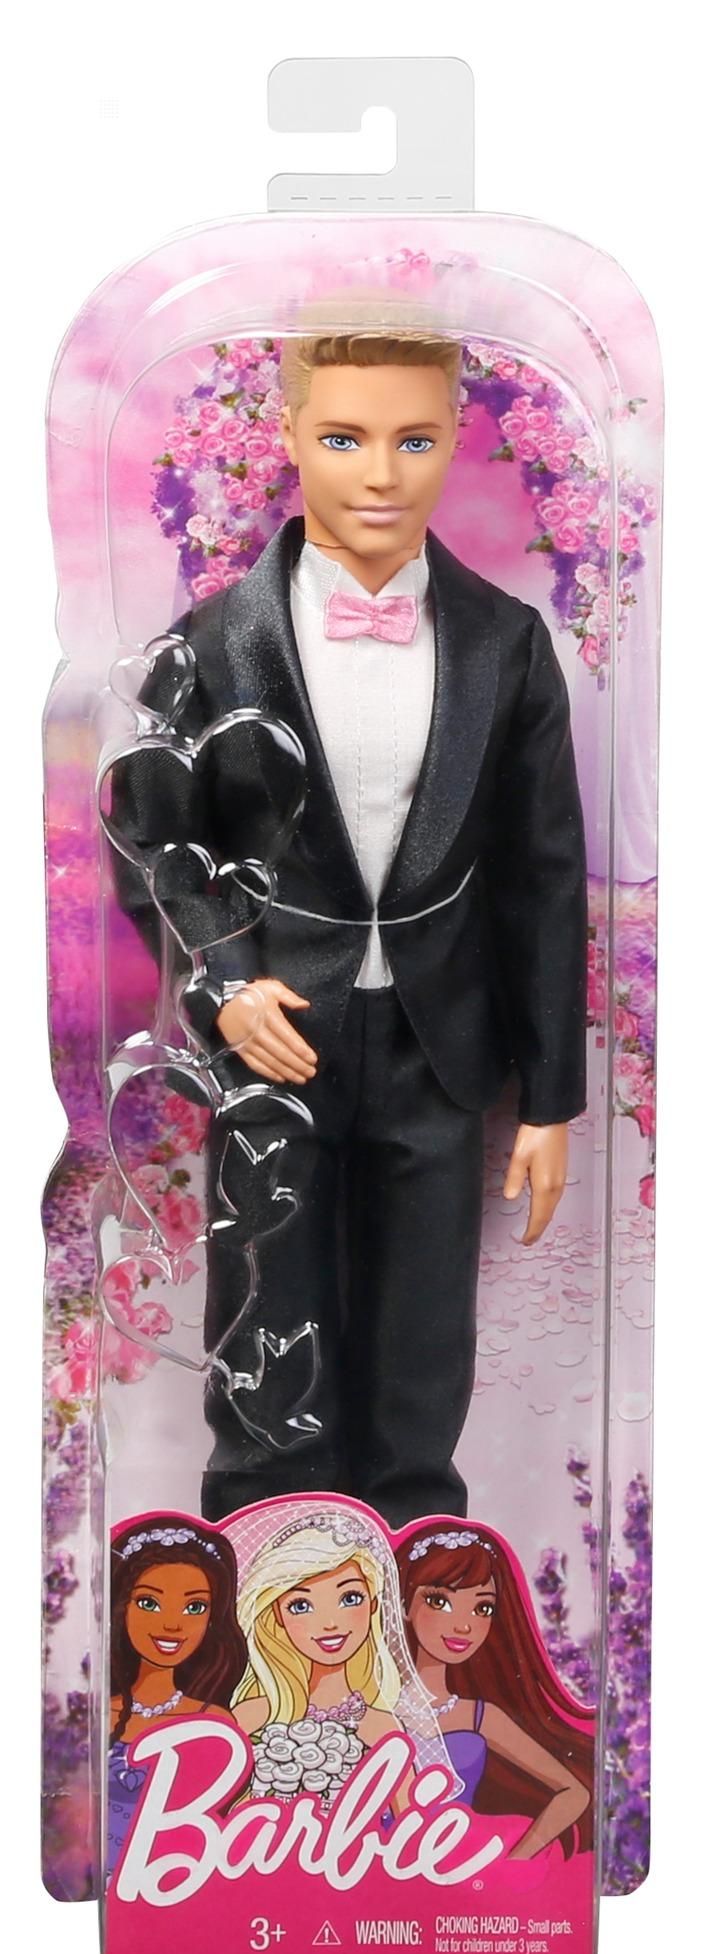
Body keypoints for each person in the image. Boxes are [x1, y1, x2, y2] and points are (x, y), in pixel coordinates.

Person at [109, 323, 588, 1527]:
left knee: (421, 1339)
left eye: (414, 439)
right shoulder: (211, 641)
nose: (379, 473)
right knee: (267, 1324)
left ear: (455, 440)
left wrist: (549, 1098)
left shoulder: (501, 642)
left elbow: (541, 873)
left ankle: (416, 1559)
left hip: (438, 1044)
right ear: (288, 435)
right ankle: (260, 1551)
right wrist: (225, 980)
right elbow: (155, 837)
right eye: (343, 438)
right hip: (277, 1036)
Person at [227, 1505, 450, 1817]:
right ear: (276, 1614)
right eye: (301, 1605)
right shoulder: (253, 1714)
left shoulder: (381, 1726)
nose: (330, 1623)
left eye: (350, 1599)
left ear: (373, 1604)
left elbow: (412, 1824)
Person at [396, 1522, 594, 1860]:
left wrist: (513, 1861)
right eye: (439, 1601)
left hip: (454, 1868)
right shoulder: (371, 1708)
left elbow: (573, 1793)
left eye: (482, 1608)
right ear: (403, 1604)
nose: (464, 1625)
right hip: (367, 1867)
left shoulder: (480, 1717)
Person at [108, 1514, 247, 1875]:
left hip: (178, 1881)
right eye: (149, 1603)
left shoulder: (214, 1723)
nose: (172, 1623)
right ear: (121, 1606)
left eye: (195, 1607)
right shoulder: (97, 1716)